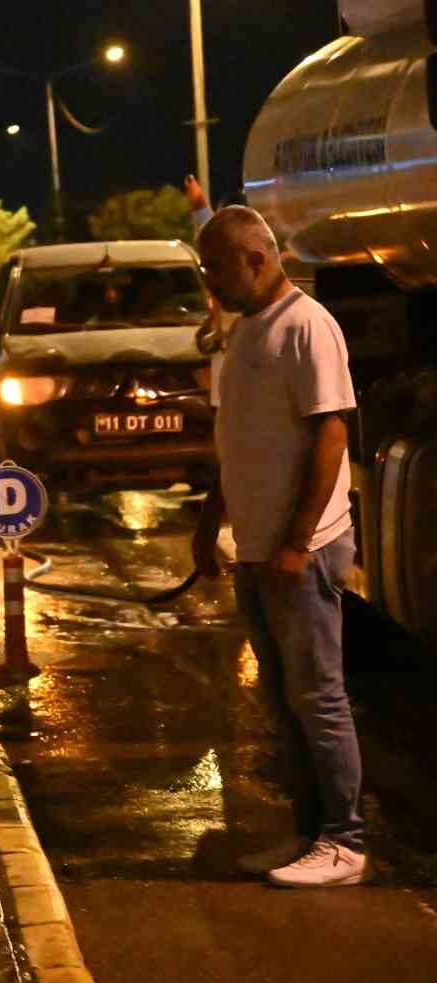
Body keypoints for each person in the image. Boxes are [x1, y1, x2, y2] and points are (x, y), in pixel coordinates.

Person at [192, 206, 366, 888]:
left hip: (303, 551)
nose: (211, 281)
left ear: (256, 259)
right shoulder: (243, 335)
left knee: (319, 697)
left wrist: (298, 542)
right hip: (257, 549)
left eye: (216, 266)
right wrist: (211, 524)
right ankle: (306, 833)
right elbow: (235, 444)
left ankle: (345, 842)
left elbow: (331, 436)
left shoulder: (308, 327)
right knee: (285, 698)